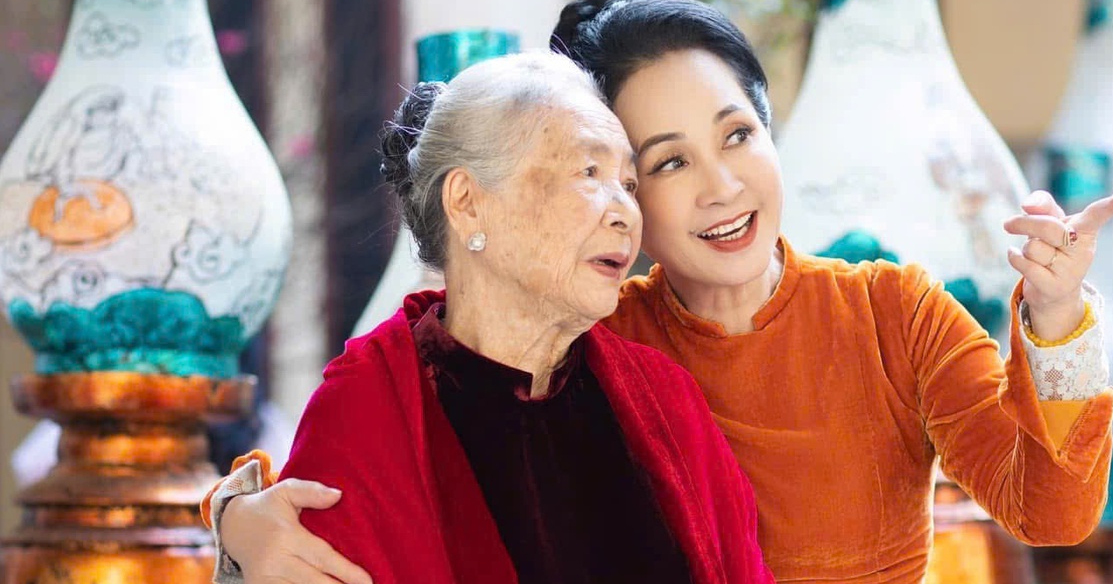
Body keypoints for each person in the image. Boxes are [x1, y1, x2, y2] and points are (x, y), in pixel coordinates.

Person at [208, 0, 1113, 584]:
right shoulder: (600, 336)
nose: (721, 187)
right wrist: (235, 522)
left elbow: (1052, 509)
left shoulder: (889, 312)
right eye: (665, 163)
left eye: (737, 136)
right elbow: (386, 436)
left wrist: (1056, 315)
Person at [202, 50, 773, 584]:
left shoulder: (663, 398)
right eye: (588, 173)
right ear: (467, 201)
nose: (626, 210)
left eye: (628, 183)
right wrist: (233, 519)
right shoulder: (369, 408)